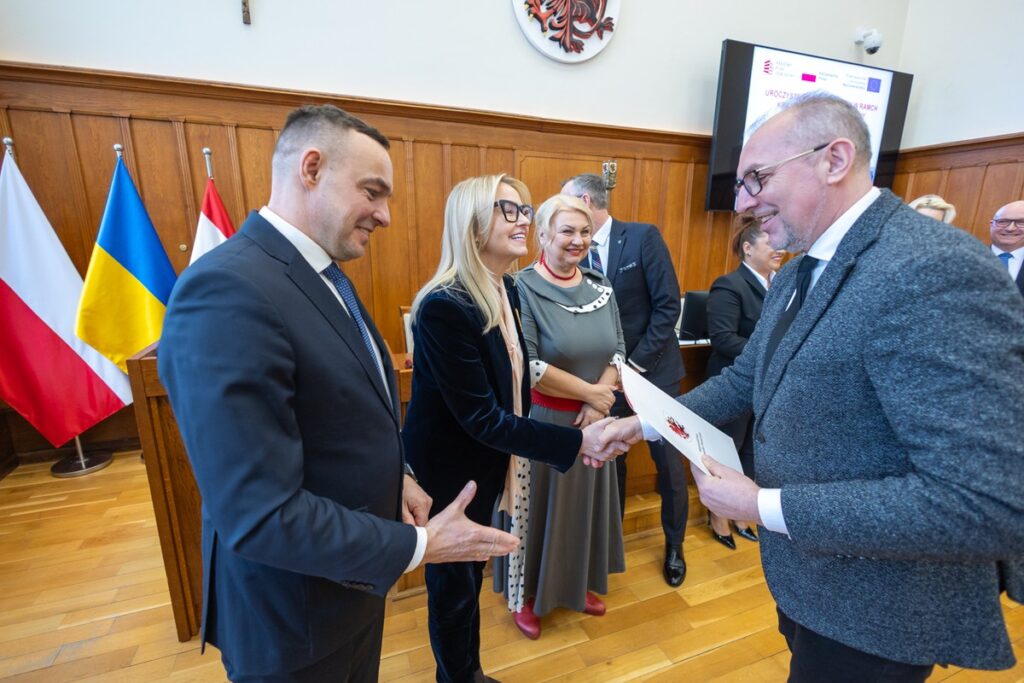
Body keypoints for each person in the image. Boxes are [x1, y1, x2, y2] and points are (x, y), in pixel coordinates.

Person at [599, 92, 1024, 681]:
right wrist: (642, 423)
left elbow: (981, 503)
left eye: (756, 178)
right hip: (805, 580)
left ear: (834, 159)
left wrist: (758, 505)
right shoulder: (800, 269)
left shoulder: (931, 269)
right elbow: (748, 379)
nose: (744, 204)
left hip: (877, 608)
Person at [158, 105, 519, 683]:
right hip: (291, 620)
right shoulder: (227, 289)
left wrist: (396, 475)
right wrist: (419, 546)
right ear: (311, 168)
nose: (385, 214)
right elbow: (260, 513)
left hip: (347, 592)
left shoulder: (322, 273)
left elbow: (349, 409)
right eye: (373, 192)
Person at [401, 174, 625, 683]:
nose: (524, 219)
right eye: (509, 210)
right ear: (473, 221)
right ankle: (459, 677)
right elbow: (482, 417)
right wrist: (576, 438)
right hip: (449, 476)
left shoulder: (506, 291)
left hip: (487, 462)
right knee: (455, 591)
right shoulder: (445, 304)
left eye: (525, 209)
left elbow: (514, 390)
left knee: (469, 581)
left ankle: (466, 672)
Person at [497, 194, 626, 640]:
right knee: (538, 517)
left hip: (596, 422)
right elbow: (531, 365)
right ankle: (527, 597)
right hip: (545, 424)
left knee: (581, 511)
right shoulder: (520, 287)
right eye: (567, 231)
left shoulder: (601, 285)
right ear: (544, 234)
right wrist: (594, 394)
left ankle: (574, 585)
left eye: (585, 232)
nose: (578, 241)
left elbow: (618, 351)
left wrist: (597, 403)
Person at [560, 172, 689, 588]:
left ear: (584, 200)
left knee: (669, 467)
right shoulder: (572, 251)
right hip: (602, 384)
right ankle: (610, 547)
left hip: (654, 376)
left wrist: (631, 368)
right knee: (609, 465)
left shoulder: (641, 238)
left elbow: (668, 308)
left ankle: (674, 545)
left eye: (567, 203)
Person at [703, 213, 782, 548]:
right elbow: (723, 338)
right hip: (733, 381)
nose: (778, 247)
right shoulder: (729, 284)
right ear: (748, 248)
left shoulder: (782, 284)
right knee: (727, 449)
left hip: (767, 387)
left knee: (752, 447)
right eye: (769, 241)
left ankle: (740, 510)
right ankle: (717, 515)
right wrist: (770, 357)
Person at [990, 200, 1024, 296]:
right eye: (1003, 222)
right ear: (991, 224)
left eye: (1021, 222)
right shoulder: (968, 257)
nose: (1010, 228)